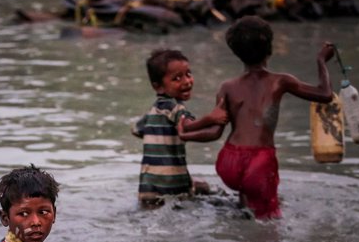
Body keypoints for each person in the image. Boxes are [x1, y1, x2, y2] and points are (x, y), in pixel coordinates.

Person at [179, 15, 335, 219]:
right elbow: (325, 94)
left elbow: (215, 132)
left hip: (229, 162)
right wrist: (321, 60)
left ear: (236, 53)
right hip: (259, 160)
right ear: (269, 48)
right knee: (269, 223)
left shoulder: (227, 87)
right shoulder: (281, 81)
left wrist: (185, 135)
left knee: (246, 205)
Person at [131, 48, 227, 206]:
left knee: (199, 187)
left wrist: (160, 137)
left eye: (188, 74)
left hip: (147, 187)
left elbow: (136, 130)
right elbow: (188, 127)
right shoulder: (176, 108)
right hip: (173, 186)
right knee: (212, 198)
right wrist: (212, 118)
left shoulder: (152, 111)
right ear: (158, 87)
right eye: (177, 78)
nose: (187, 81)